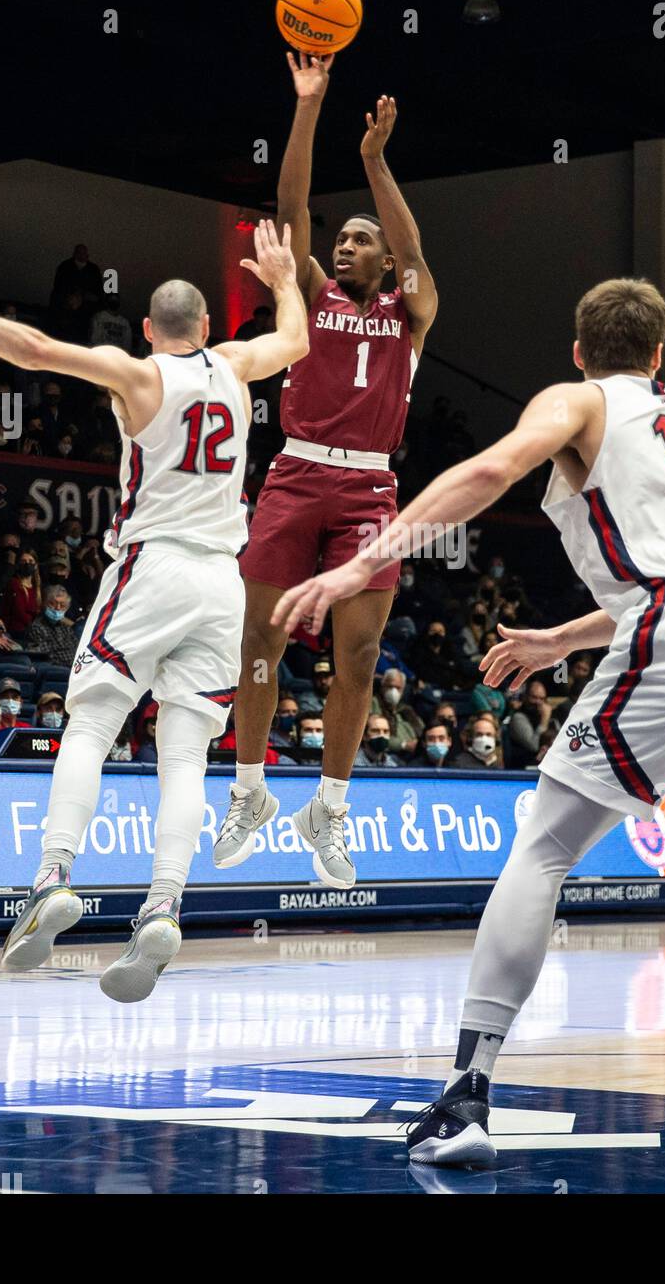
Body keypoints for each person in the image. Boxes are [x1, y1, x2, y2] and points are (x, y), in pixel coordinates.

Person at [274, 275, 665, 1163]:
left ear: (580, 350)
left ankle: (464, 1098)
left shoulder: (575, 399)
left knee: (543, 846)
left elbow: (492, 469)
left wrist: (358, 567)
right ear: (660, 354)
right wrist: (565, 640)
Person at [0, 219, 307, 1003]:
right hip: (220, 583)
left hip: (154, 566)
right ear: (206, 327)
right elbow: (295, 343)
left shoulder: (134, 375)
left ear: (145, 329)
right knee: (182, 757)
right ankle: (164, 902)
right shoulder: (238, 366)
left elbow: (32, 349)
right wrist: (280, 283)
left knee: (92, 726)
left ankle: (53, 878)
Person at [221, 54, 437, 893]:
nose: (343, 246)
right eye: (340, 238)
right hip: (296, 473)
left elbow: (415, 248)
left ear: (384, 259)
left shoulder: (410, 310)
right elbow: (289, 209)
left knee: (361, 654)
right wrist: (307, 107)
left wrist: (377, 162)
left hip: (371, 489)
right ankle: (248, 792)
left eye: (359, 240)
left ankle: (330, 809)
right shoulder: (311, 297)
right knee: (260, 641)